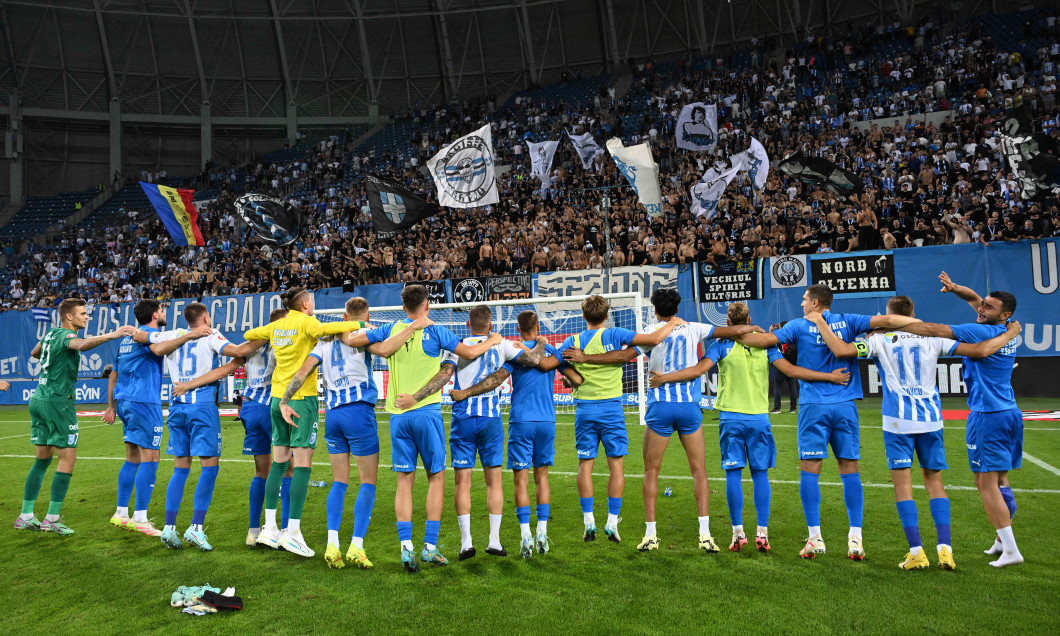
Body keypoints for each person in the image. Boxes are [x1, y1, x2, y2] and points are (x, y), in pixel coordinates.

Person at [810, 294, 1022, 570]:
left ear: (889, 315)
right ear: (913, 313)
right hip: (932, 420)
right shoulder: (935, 339)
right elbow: (979, 350)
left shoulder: (878, 340)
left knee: (903, 487)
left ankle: (916, 552)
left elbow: (840, 350)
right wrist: (1011, 333)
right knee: (935, 483)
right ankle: (945, 550)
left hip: (898, 421)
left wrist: (821, 323)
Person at [650, 300, 851, 554]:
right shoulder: (766, 345)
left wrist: (664, 378)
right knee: (760, 475)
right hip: (759, 418)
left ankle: (737, 534)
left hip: (731, 419)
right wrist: (829, 376)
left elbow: (698, 370)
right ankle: (762, 534)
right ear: (749, 319)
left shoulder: (722, 345)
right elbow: (791, 370)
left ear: (728, 323)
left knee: (733, 475)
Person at [735, 284, 917, 560]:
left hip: (813, 407)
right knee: (850, 470)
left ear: (816, 303)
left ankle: (815, 538)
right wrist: (922, 324)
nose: (801, 305)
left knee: (810, 471)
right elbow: (890, 321)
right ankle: (855, 539)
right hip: (845, 406)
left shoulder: (797, 325)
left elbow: (763, 342)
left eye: (804, 300)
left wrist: (734, 333)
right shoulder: (851, 320)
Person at [568, 289, 758, 552]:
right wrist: (754, 327)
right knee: (699, 470)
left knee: (651, 471)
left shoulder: (649, 331)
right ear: (677, 308)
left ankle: (651, 535)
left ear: (655, 309)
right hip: (689, 407)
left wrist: (586, 358)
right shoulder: (693, 327)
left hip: (660, 407)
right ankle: (705, 534)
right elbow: (734, 332)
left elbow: (624, 357)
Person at [283, 297, 431, 568]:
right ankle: (356, 546)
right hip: (359, 413)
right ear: (367, 314)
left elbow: (303, 371)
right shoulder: (364, 334)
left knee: (339, 480)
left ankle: (331, 543)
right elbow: (385, 350)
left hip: (334, 414)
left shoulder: (324, 341)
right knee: (367, 482)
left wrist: (284, 400)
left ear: (343, 314)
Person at [893, 273, 1025, 568]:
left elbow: (934, 329)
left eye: (988, 307)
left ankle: (1012, 550)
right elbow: (974, 299)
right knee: (1000, 480)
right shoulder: (1006, 327)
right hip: (1009, 412)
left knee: (985, 484)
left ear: (1004, 315)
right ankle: (1002, 541)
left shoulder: (980, 333)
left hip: (987, 415)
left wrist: (891, 322)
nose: (981, 308)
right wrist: (956, 290)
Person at [366, 284, 501, 571]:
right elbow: (468, 351)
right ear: (427, 305)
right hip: (426, 413)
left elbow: (358, 340)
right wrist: (491, 341)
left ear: (404, 308)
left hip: (398, 415)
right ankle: (429, 546)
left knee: (404, 482)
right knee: (436, 478)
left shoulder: (391, 329)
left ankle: (405, 548)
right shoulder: (436, 331)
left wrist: (367, 337)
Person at [399, 305, 545, 561]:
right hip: (491, 420)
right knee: (494, 482)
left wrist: (416, 396)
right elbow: (534, 360)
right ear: (490, 326)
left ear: (468, 324)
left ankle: (466, 543)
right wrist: (540, 343)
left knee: (462, 482)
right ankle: (495, 541)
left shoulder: (457, 345)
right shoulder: (502, 345)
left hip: (463, 420)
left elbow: (444, 375)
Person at [241, 287, 367, 558]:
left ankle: (270, 528)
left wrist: (269, 332)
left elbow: (249, 335)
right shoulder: (307, 322)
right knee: (302, 464)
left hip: (276, 400)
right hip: (301, 399)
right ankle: (293, 532)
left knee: (279, 462)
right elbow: (330, 328)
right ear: (306, 303)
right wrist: (360, 323)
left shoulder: (277, 326)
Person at [448, 310, 584, 558]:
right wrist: (562, 373)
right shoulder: (550, 351)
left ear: (517, 327)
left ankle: (525, 536)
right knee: (542, 478)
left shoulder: (513, 351)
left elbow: (497, 378)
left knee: (519, 480)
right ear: (539, 326)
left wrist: (465, 393)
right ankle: (541, 530)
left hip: (520, 420)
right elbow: (576, 378)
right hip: (546, 421)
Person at [558, 294, 682, 544]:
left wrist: (570, 379)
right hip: (611, 409)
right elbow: (653, 339)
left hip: (584, 410)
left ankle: (589, 520)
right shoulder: (614, 334)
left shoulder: (572, 341)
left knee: (585, 466)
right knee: (616, 466)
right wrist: (672, 323)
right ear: (606, 316)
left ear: (583, 317)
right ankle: (612, 523)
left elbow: (569, 374)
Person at [15, 298, 135, 535]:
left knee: (42, 460)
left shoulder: (51, 334)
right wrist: (112, 335)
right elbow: (80, 346)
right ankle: (52, 518)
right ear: (68, 316)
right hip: (58, 401)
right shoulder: (67, 336)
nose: (86, 316)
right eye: (82, 313)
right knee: (67, 459)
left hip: (38, 398)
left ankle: (26, 515)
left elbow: (35, 352)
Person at [171, 308, 288, 547]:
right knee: (288, 470)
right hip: (272, 406)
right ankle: (284, 530)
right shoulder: (285, 342)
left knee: (260, 472)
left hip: (250, 408)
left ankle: (253, 531)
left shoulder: (250, 342)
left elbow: (237, 358)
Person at [156, 302, 262, 551]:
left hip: (176, 406)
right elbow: (236, 349)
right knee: (209, 467)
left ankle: (169, 527)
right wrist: (262, 340)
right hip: (201, 407)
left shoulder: (172, 335)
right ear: (205, 318)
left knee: (180, 468)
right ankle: (196, 528)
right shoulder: (211, 334)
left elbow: (156, 347)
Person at [103, 299, 211, 537]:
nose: (164, 313)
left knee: (132, 456)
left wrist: (111, 406)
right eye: (162, 310)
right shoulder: (150, 335)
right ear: (154, 314)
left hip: (125, 401)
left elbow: (113, 375)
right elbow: (159, 349)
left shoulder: (125, 341)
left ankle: (121, 513)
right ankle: (140, 517)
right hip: (144, 401)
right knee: (150, 457)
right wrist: (190, 335)